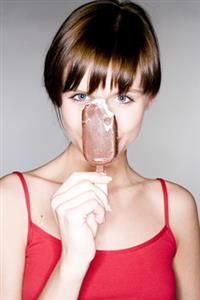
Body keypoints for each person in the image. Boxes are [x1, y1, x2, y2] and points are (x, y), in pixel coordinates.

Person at [1, 0, 200, 299]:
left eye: (122, 98)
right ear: (56, 94)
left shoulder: (177, 208)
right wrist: (72, 262)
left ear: (150, 97)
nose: (102, 117)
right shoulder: (11, 202)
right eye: (81, 96)